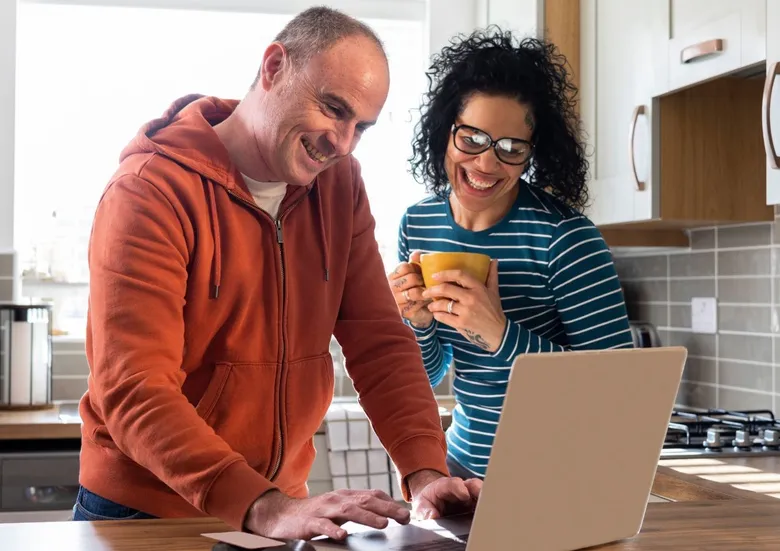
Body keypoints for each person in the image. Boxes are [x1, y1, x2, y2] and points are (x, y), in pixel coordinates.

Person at [75, 7, 479, 541]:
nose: (343, 143)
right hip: (149, 513)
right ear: (273, 67)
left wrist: (425, 471)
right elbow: (133, 389)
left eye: (362, 127)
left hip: (278, 512)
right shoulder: (149, 190)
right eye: (333, 109)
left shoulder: (341, 186)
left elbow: (379, 343)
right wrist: (261, 505)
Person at [387, 27, 634, 480]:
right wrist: (417, 324)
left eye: (510, 148)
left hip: (552, 476)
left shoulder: (566, 238)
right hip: (458, 465)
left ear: (531, 154)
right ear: (446, 131)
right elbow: (431, 371)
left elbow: (618, 393)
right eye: (472, 138)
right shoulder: (418, 224)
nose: (485, 164)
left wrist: (500, 333)